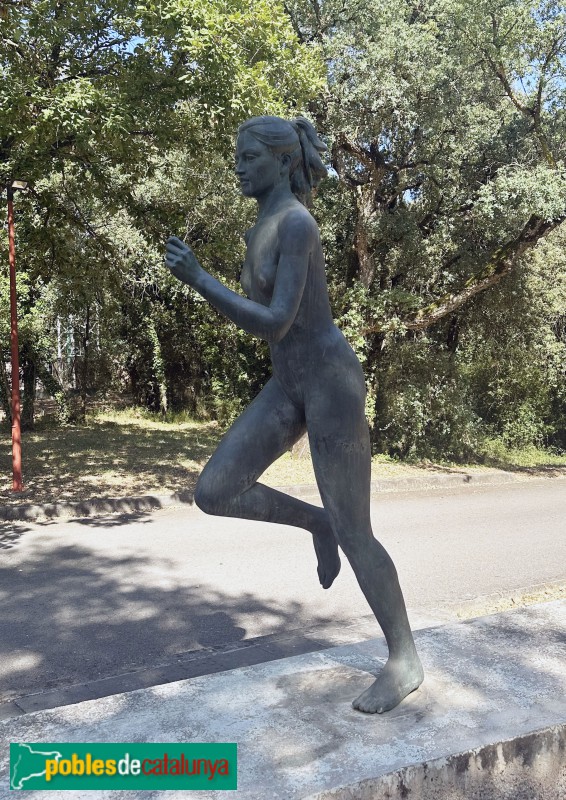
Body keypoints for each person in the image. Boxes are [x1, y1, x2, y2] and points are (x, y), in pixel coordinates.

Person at [165, 115, 423, 713]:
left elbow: (277, 321)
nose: (238, 164)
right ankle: (316, 523)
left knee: (358, 531)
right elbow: (279, 333)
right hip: (289, 382)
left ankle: (404, 657)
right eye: (237, 154)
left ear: (282, 162)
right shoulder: (263, 222)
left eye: (249, 155)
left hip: (330, 383)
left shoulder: (298, 224)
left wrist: (199, 278)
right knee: (214, 489)